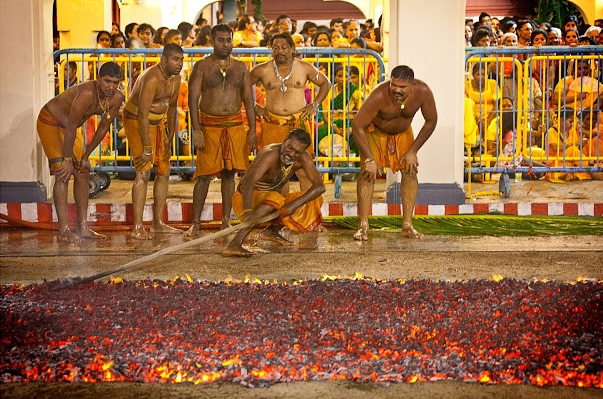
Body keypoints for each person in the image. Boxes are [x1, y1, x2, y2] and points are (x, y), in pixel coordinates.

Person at [37, 62, 124, 241]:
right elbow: (70, 124)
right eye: (107, 81)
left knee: (83, 171)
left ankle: (83, 227)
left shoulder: (116, 97)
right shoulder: (87, 92)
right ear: (98, 78)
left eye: (116, 82)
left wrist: (85, 156)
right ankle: (63, 231)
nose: (111, 87)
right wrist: (68, 158)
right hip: (50, 122)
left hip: (70, 128)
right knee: (63, 171)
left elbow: (103, 128)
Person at [185, 24, 257, 236]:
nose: (225, 44)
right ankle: (196, 223)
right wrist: (196, 130)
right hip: (209, 126)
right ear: (211, 40)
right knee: (204, 176)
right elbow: (192, 101)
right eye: (221, 40)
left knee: (229, 174)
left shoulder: (242, 68)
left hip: (234, 125)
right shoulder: (201, 67)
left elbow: (249, 101)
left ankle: (225, 222)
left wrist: (252, 129)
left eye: (228, 40)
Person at [351, 65, 437, 241]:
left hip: (403, 133)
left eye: (402, 87)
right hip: (375, 132)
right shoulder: (379, 95)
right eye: (394, 85)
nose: (397, 90)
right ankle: (363, 226)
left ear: (412, 85)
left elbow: (431, 121)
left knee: (410, 170)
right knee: (367, 173)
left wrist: (413, 150)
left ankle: (407, 225)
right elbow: (357, 125)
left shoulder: (423, 92)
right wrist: (368, 159)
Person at [223, 129, 325, 257]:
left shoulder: (304, 159)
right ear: (285, 140)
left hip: (271, 201)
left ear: (303, 152)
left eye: (297, 152)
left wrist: (294, 204)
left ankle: (271, 231)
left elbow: (319, 187)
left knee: (314, 199)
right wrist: (248, 210)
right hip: (245, 198)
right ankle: (235, 244)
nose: (291, 154)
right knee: (276, 198)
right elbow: (249, 181)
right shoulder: (270, 154)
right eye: (290, 148)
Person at [122, 43, 184, 239]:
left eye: (181, 60)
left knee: (164, 171)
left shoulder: (177, 79)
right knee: (144, 171)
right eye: (176, 59)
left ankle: (158, 223)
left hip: (159, 123)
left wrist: (171, 135)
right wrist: (147, 147)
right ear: (163, 59)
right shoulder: (151, 78)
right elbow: (141, 114)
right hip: (136, 121)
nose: (179, 64)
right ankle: (137, 227)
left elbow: (172, 108)